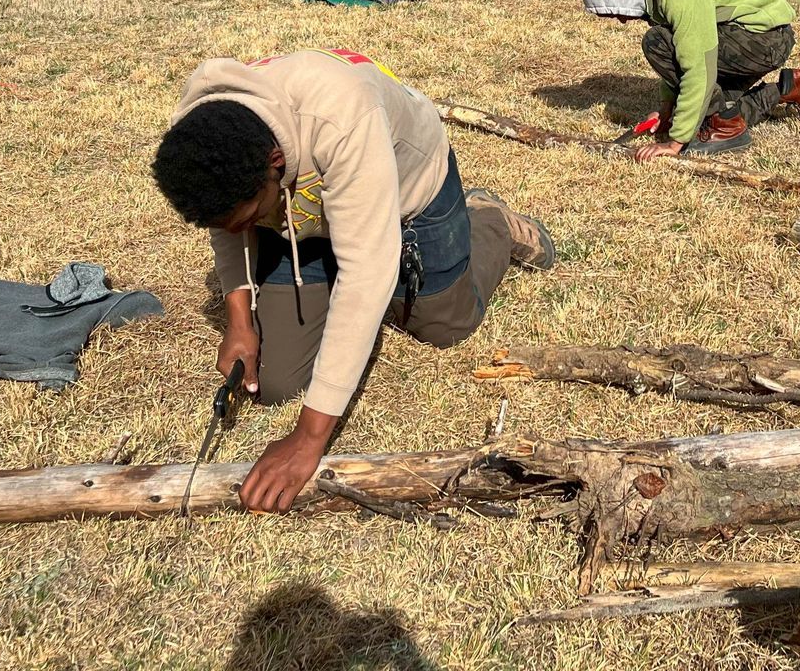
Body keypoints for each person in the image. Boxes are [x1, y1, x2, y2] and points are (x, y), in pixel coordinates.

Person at [151, 50, 555, 513]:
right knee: (279, 382)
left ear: (275, 161)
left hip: (408, 191)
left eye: (244, 219)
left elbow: (366, 272)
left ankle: (489, 221)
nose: (238, 231)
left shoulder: (343, 115)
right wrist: (239, 321)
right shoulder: (204, 127)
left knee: (444, 323)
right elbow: (224, 224)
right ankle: (326, 237)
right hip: (303, 214)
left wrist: (308, 439)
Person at [578, 0, 800, 159]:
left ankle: (725, 129)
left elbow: (698, 67)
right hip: (747, 35)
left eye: (615, 12)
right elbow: (682, 52)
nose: (621, 21)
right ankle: (798, 86)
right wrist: (669, 109)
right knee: (723, 108)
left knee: (657, 42)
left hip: (764, 40)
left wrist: (676, 142)